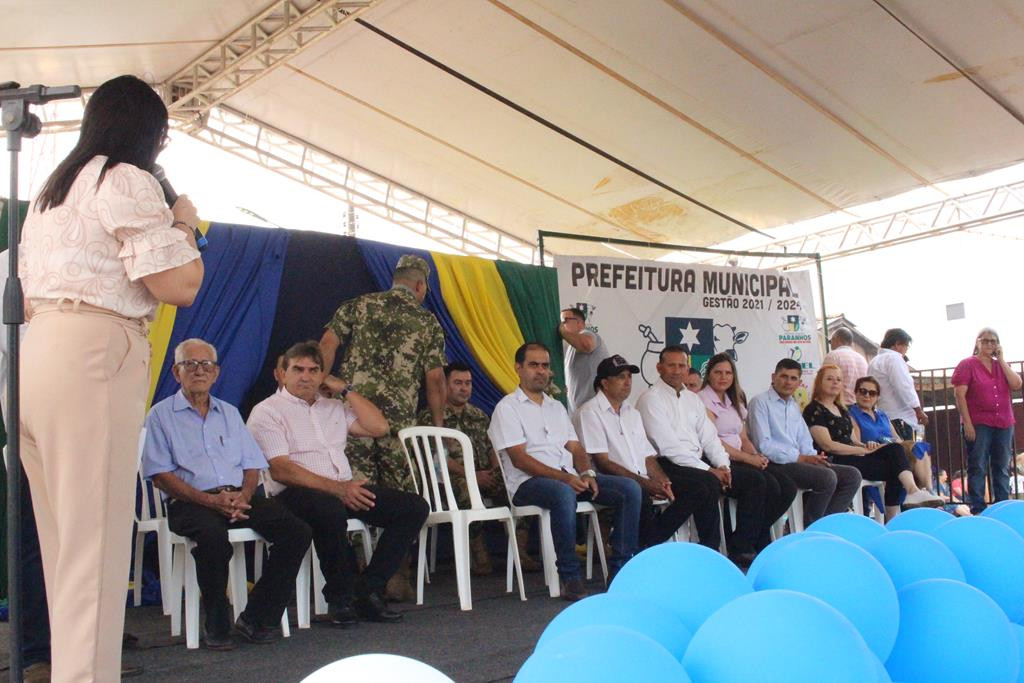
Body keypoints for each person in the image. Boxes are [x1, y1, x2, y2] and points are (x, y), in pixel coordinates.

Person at [18, 74, 204, 681]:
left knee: (64, 546)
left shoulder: (54, 190)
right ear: (151, 133)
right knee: (94, 550)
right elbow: (180, 285)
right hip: (93, 352)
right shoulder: (125, 177)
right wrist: (184, 225)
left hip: (35, 352)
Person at [142, 339, 312, 649]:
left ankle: (256, 616)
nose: (199, 371)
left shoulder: (230, 413)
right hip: (190, 501)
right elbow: (161, 476)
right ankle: (217, 622)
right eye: (190, 364)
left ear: (217, 373)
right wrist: (210, 500)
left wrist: (244, 497)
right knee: (212, 539)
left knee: (296, 531)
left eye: (206, 365)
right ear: (175, 372)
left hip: (237, 496)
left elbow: (251, 466)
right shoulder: (160, 415)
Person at [248, 341, 428, 626]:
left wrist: (344, 389)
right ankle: (339, 598)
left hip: (343, 489)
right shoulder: (267, 411)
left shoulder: (332, 407)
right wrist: (339, 489)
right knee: (328, 508)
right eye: (298, 369)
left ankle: (367, 589)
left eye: (314, 370)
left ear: (322, 375)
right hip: (294, 495)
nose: (306, 376)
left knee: (413, 507)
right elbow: (281, 470)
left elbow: (378, 428)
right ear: (280, 374)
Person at [318, 254, 444, 601]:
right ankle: (391, 579)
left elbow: (327, 344)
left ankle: (351, 574)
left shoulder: (358, 305)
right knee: (400, 503)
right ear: (420, 286)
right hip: (398, 428)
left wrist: (318, 386)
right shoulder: (427, 321)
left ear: (396, 279)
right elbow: (435, 379)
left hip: (352, 418)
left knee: (356, 494)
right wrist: (437, 429)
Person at [488, 342, 641, 601]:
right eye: (533, 365)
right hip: (528, 484)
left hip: (569, 478)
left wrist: (586, 474)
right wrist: (567, 478)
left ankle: (620, 569)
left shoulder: (556, 407)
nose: (541, 371)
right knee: (562, 493)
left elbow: (576, 448)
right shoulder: (507, 407)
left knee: (629, 489)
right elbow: (520, 460)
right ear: (518, 368)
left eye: (545, 366)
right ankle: (570, 575)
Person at [416, 362, 538, 575]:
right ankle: (479, 558)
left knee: (517, 483)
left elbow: (493, 448)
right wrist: (472, 476)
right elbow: (437, 460)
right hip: (448, 479)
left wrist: (494, 471)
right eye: (458, 383)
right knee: (465, 488)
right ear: (445, 385)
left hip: (482, 474)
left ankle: (520, 552)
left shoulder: (479, 415)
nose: (464, 388)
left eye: (468, 383)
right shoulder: (431, 416)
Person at [635, 346, 753, 564]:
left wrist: (723, 465)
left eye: (682, 365)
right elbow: (669, 447)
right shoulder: (651, 399)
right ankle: (656, 540)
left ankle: (719, 550)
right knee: (705, 484)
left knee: (730, 482)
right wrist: (709, 470)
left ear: (688, 368)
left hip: (695, 463)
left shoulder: (692, 399)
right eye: (671, 365)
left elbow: (709, 437)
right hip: (664, 464)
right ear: (659, 368)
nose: (677, 370)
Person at [575, 354, 693, 549]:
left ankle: (647, 546)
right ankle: (637, 555)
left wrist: (663, 481)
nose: (627, 382)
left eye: (629, 377)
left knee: (694, 489)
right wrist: (646, 483)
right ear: (604, 383)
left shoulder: (632, 412)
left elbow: (647, 456)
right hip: (608, 480)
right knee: (638, 493)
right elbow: (603, 462)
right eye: (621, 377)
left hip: (639, 478)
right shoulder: (590, 412)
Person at [803, 365, 942, 520]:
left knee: (895, 451)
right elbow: (827, 445)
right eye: (829, 379)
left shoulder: (841, 409)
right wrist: (861, 451)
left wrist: (865, 446)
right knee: (895, 467)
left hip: (854, 454)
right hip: (835, 458)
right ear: (820, 382)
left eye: (838, 380)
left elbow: (853, 440)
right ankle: (894, 515)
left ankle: (911, 493)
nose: (835, 383)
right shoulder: (814, 409)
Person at [698, 353, 797, 551]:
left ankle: (756, 534)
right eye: (718, 372)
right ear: (709, 375)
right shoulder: (701, 399)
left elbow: (743, 438)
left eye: (728, 373)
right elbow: (713, 441)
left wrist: (756, 456)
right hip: (716, 461)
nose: (723, 377)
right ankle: (742, 545)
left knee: (785, 486)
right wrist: (749, 459)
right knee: (758, 483)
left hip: (740, 458)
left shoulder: (732, 399)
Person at [748, 359, 862, 526]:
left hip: (799, 461)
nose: (788, 382)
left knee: (852, 475)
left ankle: (828, 525)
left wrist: (813, 457)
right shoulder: (760, 402)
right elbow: (764, 446)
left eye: (793, 378)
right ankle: (812, 529)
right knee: (827, 478)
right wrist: (801, 458)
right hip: (774, 463)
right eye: (784, 376)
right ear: (773, 377)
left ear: (799, 382)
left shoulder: (793, 405)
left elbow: (804, 440)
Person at [952, 327, 1022, 513]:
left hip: (1004, 422)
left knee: (1002, 465)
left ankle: (1002, 505)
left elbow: (1016, 384)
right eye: (986, 340)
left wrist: (1002, 360)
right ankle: (978, 507)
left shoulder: (1000, 366)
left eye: (993, 341)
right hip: (979, 422)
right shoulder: (968, 364)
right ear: (978, 342)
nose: (989, 344)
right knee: (978, 464)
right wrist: (967, 423)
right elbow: (960, 394)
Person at [867, 328, 926, 439]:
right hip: (901, 418)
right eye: (906, 346)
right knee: (907, 453)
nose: (906, 350)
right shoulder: (894, 358)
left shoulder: (874, 361)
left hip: (883, 415)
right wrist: (918, 410)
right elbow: (904, 386)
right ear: (897, 344)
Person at [559, 307, 610, 414]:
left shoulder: (588, 334)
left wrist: (562, 331)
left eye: (564, 321)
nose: (561, 325)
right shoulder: (571, 347)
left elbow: (587, 345)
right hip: (580, 412)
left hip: (596, 412)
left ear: (578, 322)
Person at [823, 328, 868, 406]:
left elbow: (823, 381)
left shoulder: (833, 355)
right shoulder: (862, 359)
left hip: (840, 406)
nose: (830, 345)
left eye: (830, 342)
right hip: (859, 407)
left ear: (836, 339)